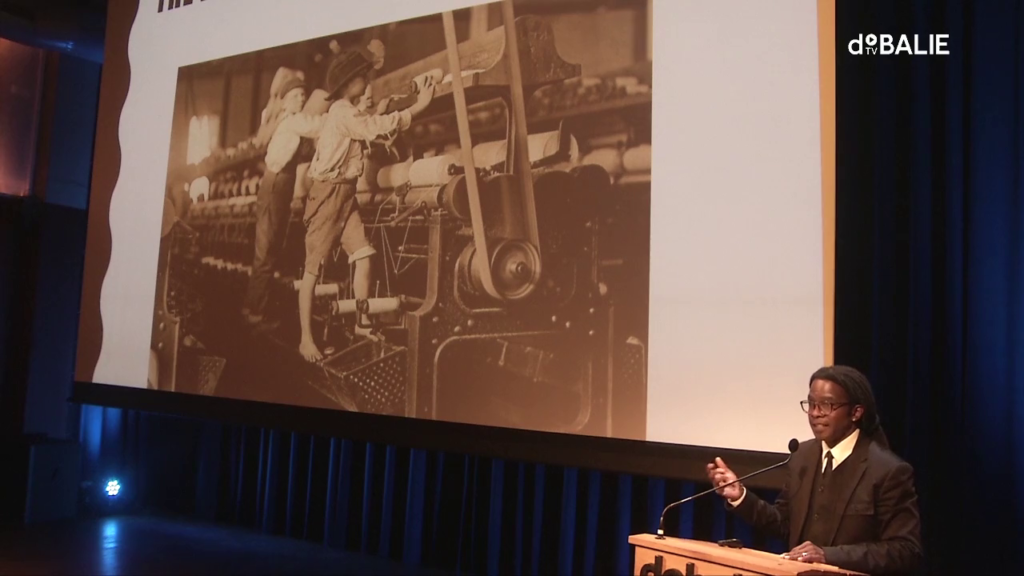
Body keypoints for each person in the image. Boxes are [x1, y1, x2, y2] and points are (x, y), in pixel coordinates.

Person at [706, 365, 923, 575]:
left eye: (826, 405)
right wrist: (740, 496)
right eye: (811, 404)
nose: (815, 413)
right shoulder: (803, 456)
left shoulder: (887, 471)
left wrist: (828, 556)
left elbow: (904, 550)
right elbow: (784, 524)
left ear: (856, 412)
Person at [298, 45, 435, 362]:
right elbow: (371, 128)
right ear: (348, 84)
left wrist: (383, 110)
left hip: (345, 193)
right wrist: (418, 107)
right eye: (361, 76)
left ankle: (361, 321)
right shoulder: (344, 113)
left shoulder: (349, 112)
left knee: (364, 255)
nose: (366, 79)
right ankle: (305, 339)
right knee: (312, 271)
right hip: (328, 194)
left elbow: (368, 124)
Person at [243, 68, 327, 329]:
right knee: (266, 251)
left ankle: (254, 307)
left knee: (269, 249)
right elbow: (318, 126)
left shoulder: (284, 119)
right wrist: (342, 111)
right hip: (276, 184)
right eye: (297, 95)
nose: (302, 99)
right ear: (287, 99)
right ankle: (256, 313)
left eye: (303, 95)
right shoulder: (292, 120)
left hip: (279, 184)